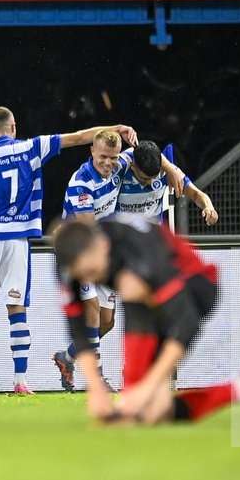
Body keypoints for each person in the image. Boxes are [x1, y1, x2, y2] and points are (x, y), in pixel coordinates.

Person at [0, 106, 137, 395]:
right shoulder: (32, 147)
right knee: (17, 310)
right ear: (13, 127)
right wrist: (117, 127)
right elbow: (78, 137)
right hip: (17, 238)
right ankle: (20, 381)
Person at [53, 218, 240, 426]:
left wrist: (147, 387)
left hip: (196, 287)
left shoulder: (141, 257)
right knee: (155, 414)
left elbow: (186, 323)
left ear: (102, 246)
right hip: (144, 299)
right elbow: (78, 326)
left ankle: (132, 403)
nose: (90, 280)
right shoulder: (68, 262)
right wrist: (95, 389)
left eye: (93, 272)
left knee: (143, 402)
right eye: (82, 276)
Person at [52, 132, 186, 391]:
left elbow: (146, 156)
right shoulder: (82, 183)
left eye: (112, 158)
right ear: (92, 151)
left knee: (106, 321)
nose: (107, 163)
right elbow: (89, 230)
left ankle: (67, 357)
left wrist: (172, 170)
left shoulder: (120, 164)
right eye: (102, 157)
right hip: (79, 253)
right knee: (90, 309)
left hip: (101, 252)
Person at [117, 140, 217, 226]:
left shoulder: (168, 172)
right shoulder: (119, 170)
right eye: (144, 178)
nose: (150, 183)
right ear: (133, 166)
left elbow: (196, 194)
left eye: (153, 177)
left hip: (151, 236)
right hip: (122, 235)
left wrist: (209, 207)